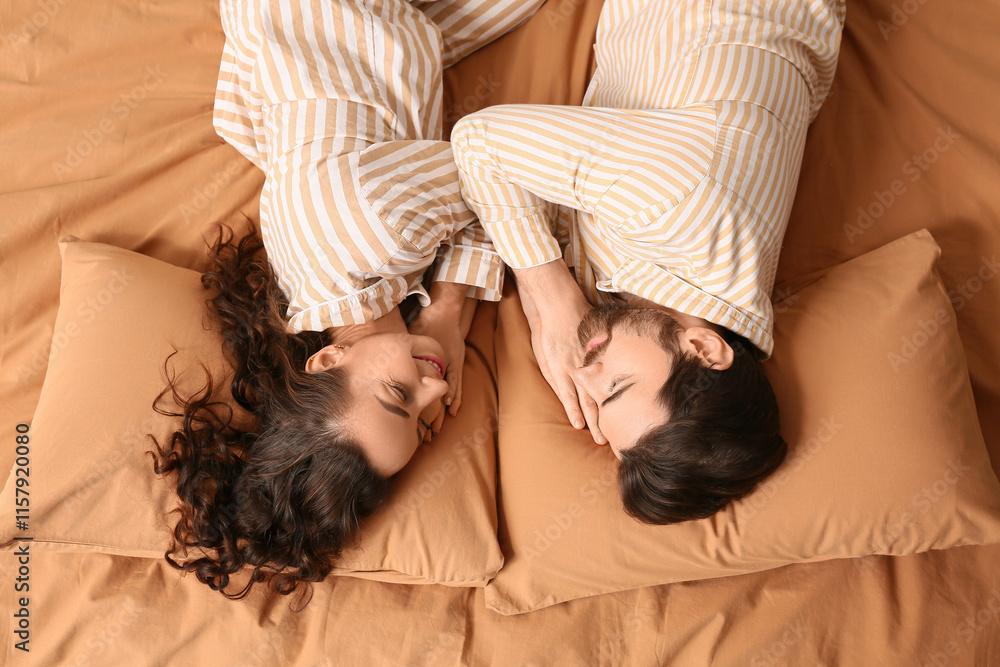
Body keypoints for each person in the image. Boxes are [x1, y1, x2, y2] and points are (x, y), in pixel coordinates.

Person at [150, 0, 545, 604]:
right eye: (425, 420)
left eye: (400, 395)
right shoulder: (322, 292)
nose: (438, 389)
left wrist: (448, 310)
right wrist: (441, 317)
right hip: (377, 49)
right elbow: (475, 197)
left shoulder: (372, 230)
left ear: (327, 361)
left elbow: (502, 171)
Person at [451, 0, 845, 524]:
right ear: (703, 349)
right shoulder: (682, 211)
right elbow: (478, 143)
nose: (583, 374)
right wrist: (550, 298)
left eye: (598, 404)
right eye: (615, 387)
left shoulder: (686, 309)